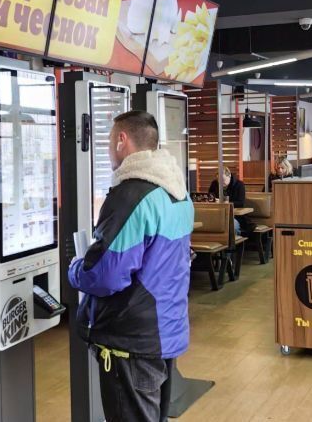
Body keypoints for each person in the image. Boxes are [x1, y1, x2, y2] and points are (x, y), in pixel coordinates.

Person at [68, 111, 194, 422]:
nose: (110, 149)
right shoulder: (178, 192)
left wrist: (76, 268)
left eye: (111, 141)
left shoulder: (132, 196)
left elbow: (107, 275)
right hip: (163, 331)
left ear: (122, 140)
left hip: (131, 340)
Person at [208, 166, 247, 233]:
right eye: (219, 180)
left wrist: (225, 202)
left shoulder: (239, 185)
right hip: (217, 214)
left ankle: (233, 242)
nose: (221, 183)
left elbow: (241, 203)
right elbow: (210, 197)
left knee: (231, 226)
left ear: (229, 176)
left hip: (235, 216)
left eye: (223, 180)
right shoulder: (214, 184)